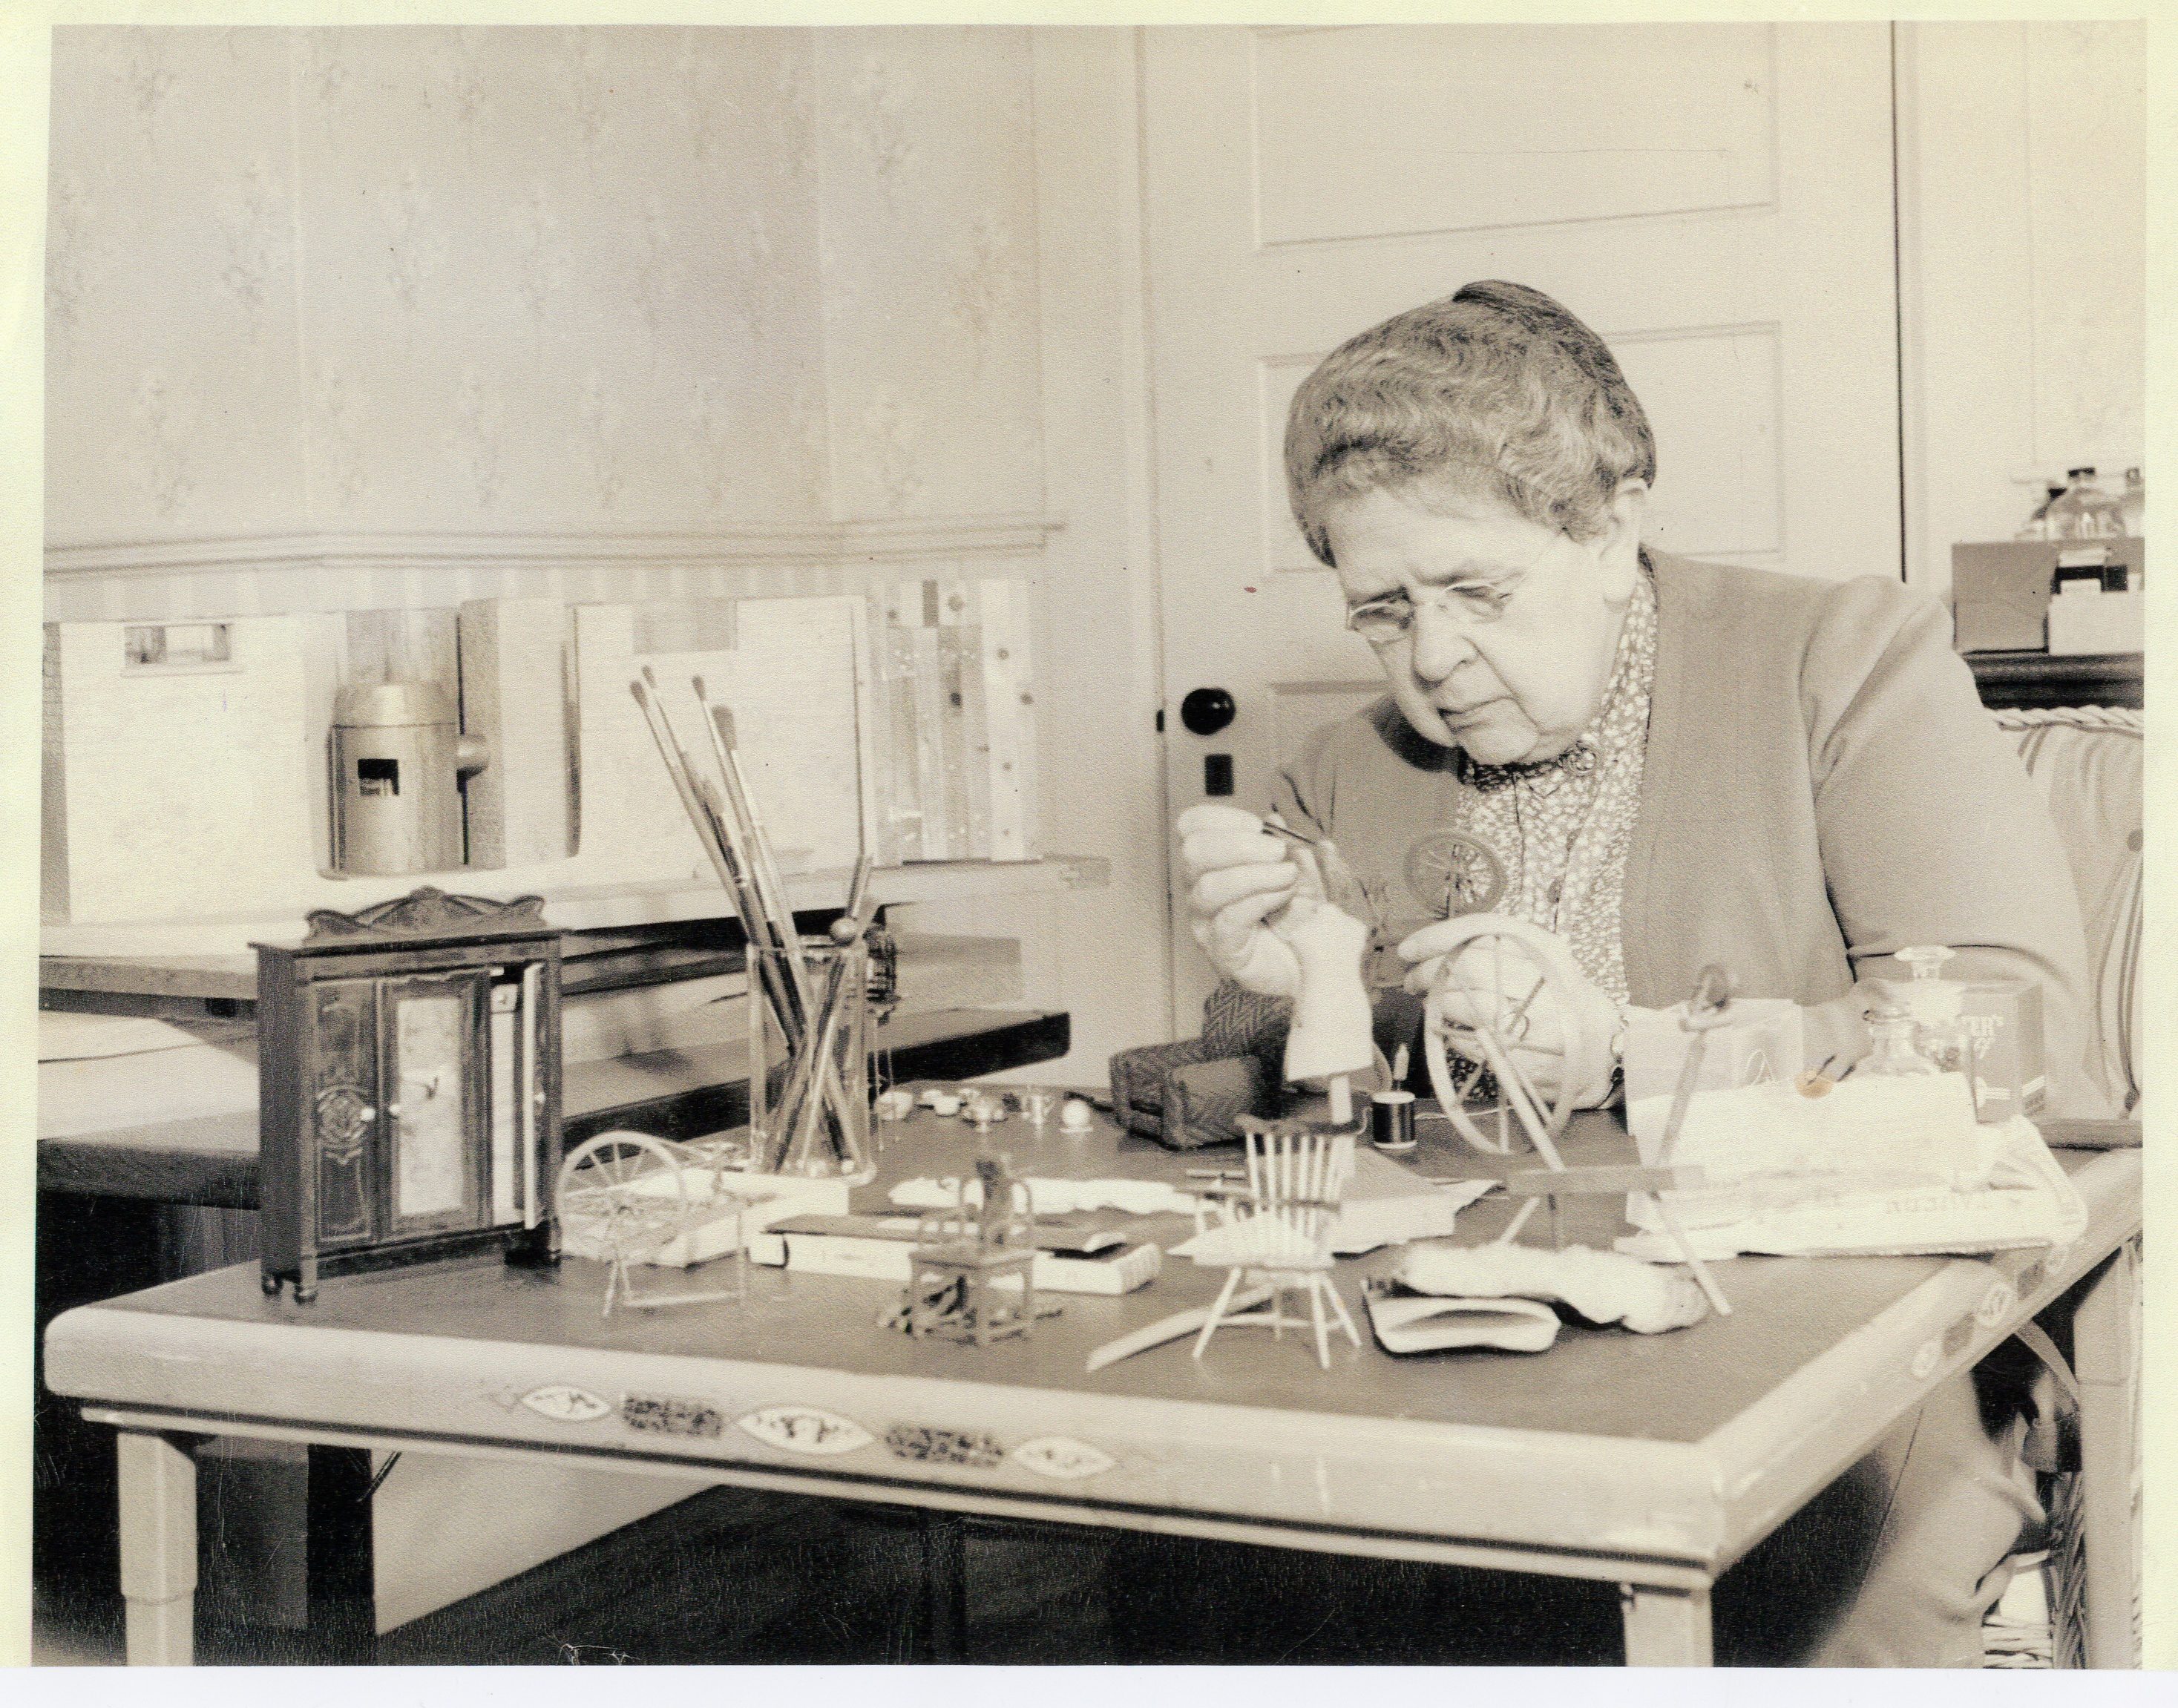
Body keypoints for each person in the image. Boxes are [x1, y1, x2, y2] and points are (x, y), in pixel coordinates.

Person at [1171, 280, 2103, 1666]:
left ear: (1614, 527)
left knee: (1807, 1608)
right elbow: (1306, 1132)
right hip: (1464, 1344)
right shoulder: (1342, 771)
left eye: (1478, 590)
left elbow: (2015, 1036)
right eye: (1382, 610)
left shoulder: (1842, 660)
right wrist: (1272, 987)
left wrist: (1628, 1052)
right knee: (1229, 1575)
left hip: (1861, 1354)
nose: (1430, 658)